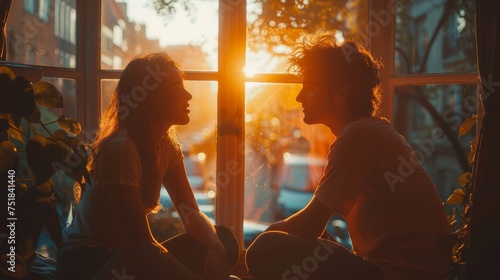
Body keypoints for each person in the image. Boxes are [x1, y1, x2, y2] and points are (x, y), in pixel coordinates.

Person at [245, 32, 452, 280]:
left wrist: (261, 241)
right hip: (411, 272)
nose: (299, 97)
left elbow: (310, 224)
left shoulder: (358, 135)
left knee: (263, 249)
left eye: (308, 88)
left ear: (341, 94)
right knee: (315, 243)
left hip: (396, 275)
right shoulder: (370, 130)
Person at [56, 53, 240, 280]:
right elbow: (140, 242)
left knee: (221, 238)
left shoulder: (166, 146)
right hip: (87, 263)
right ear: (153, 99)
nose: (188, 95)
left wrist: (216, 246)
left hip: (128, 256)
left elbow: (191, 215)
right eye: (177, 88)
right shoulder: (122, 149)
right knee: (144, 253)